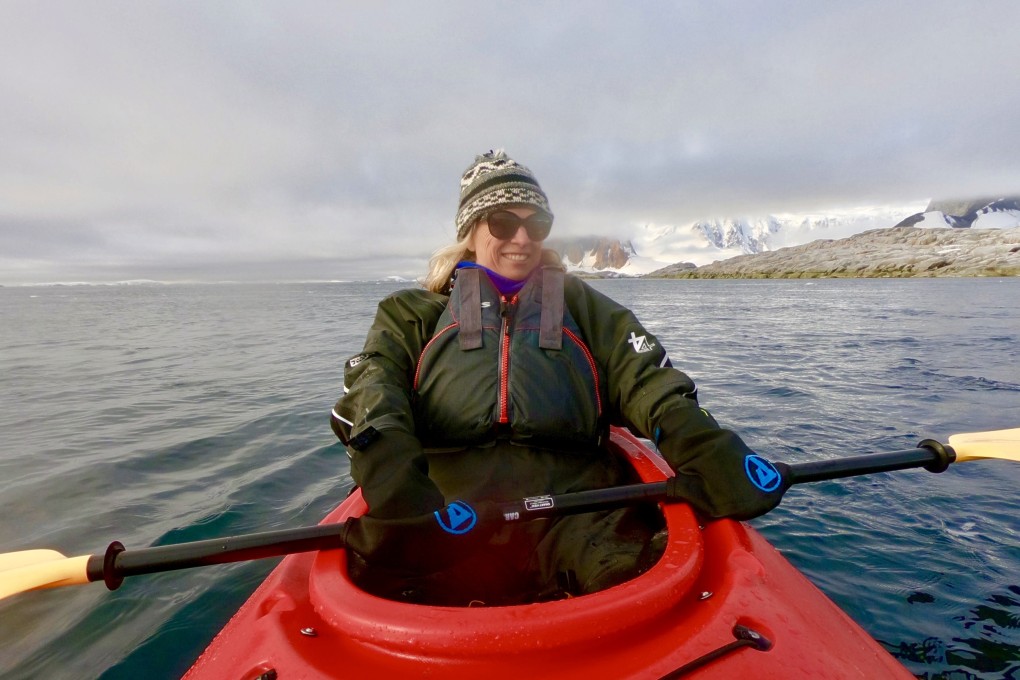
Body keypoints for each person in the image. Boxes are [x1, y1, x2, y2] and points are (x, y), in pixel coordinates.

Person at [330, 150, 787, 606]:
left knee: (642, 589)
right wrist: (397, 489)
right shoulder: (411, 315)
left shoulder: (584, 307)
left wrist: (703, 446)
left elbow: (648, 382)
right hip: (449, 509)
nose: (523, 238)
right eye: (503, 223)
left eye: (538, 224)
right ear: (470, 232)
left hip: (579, 510)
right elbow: (375, 392)